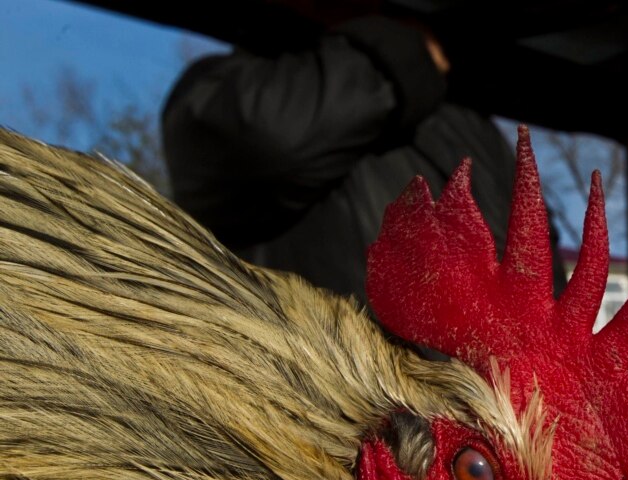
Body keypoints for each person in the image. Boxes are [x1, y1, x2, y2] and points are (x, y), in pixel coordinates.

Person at [161, 15, 565, 303]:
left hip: (501, 408)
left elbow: (536, 255)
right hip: (338, 413)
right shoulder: (224, 87)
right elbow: (269, 143)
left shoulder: (464, 120)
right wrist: (404, 53)